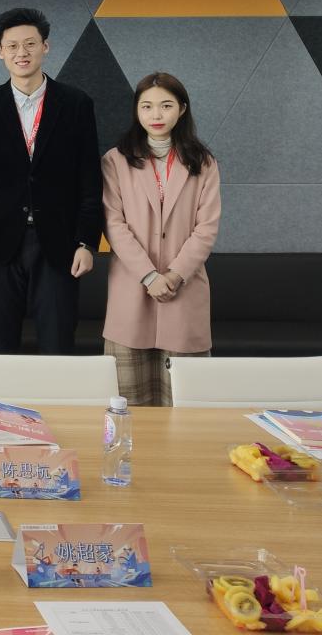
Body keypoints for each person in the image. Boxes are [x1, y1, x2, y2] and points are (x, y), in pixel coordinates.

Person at [0, 8, 102, 354]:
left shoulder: (76, 103)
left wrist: (87, 242)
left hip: (59, 243)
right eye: (12, 46)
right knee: (0, 347)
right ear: (0, 52)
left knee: (57, 347)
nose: (22, 53)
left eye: (30, 43)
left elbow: (90, 178)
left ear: (46, 46)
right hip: (1, 245)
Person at [101, 73, 220, 406]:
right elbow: (113, 223)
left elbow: (206, 228)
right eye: (147, 106)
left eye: (166, 105)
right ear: (136, 110)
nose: (156, 114)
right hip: (133, 286)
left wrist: (174, 274)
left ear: (182, 109)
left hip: (183, 288)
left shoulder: (204, 162)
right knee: (128, 405)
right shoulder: (116, 160)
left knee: (186, 406)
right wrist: (150, 275)